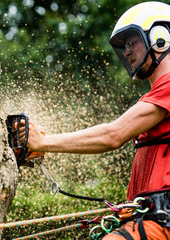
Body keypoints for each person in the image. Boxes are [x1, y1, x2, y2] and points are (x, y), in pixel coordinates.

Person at [20, 2, 170, 239]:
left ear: (161, 38)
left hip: (160, 225)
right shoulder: (156, 96)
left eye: (132, 42)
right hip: (149, 220)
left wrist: (41, 142)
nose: (127, 52)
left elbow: (112, 136)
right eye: (125, 46)